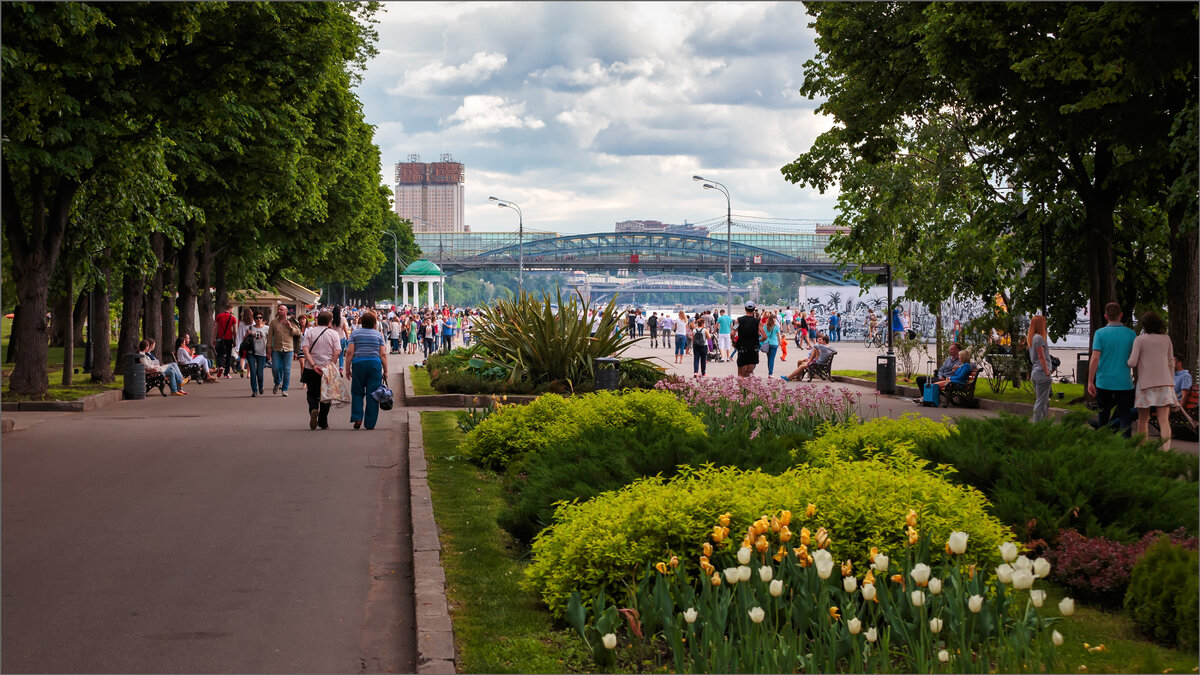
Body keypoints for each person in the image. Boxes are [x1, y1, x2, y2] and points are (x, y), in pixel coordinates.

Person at [1127, 311, 1176, 449]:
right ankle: (1166, 450)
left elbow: (1132, 362)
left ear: (1144, 325)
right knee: (1164, 420)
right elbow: (1171, 362)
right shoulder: (1166, 339)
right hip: (1165, 384)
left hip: (1145, 385)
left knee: (1143, 420)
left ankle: (1142, 448)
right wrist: (1171, 382)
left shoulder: (1140, 340)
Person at [1087, 302, 1137, 433]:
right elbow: (1136, 358)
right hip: (1124, 382)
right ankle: (1125, 447)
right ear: (1121, 315)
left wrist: (1090, 381)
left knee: (1103, 415)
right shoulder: (1131, 334)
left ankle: (1103, 444)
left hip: (1104, 381)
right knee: (1125, 416)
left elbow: (1095, 357)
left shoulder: (1100, 333)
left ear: (1105, 316)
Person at [345, 312, 388, 430]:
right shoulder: (378, 335)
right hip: (374, 365)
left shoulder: (355, 333)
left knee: (357, 392)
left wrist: (347, 369)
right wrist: (386, 371)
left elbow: (349, 352)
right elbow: (383, 354)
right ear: (374, 323)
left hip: (358, 364)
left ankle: (358, 417)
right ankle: (370, 423)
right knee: (373, 394)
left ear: (362, 322)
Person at [301, 310, 342, 430]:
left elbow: (305, 350)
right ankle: (323, 421)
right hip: (326, 368)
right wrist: (331, 365)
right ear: (330, 321)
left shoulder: (310, 332)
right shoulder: (333, 334)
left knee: (312, 393)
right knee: (326, 395)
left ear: (317, 320)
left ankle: (314, 408)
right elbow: (337, 351)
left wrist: (313, 365)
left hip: (311, 368)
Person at [266, 304, 300, 396]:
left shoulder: (292, 321)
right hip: (276, 349)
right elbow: (269, 336)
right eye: (278, 309)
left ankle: (285, 389)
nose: (279, 311)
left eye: (281, 309)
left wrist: (290, 327)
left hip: (288, 349)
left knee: (287, 370)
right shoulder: (273, 322)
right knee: (275, 368)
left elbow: (298, 332)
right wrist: (268, 348)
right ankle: (277, 382)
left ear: (286, 311)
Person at [1027, 315, 1053, 422]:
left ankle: (1043, 423)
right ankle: (1037, 424)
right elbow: (1041, 357)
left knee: (1043, 401)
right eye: (1044, 323)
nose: (1045, 326)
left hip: (1036, 372)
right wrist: (1047, 372)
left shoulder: (1032, 338)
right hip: (1041, 372)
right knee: (1041, 402)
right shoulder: (1038, 338)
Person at [732, 302, 764, 378]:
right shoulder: (757, 322)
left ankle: (742, 389)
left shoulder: (738, 321)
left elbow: (732, 333)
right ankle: (749, 389)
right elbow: (765, 336)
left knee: (741, 374)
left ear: (745, 309)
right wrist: (758, 340)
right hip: (753, 349)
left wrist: (733, 342)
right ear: (754, 310)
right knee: (749, 372)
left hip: (742, 349)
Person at [247, 311, 269, 396]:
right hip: (251, 352)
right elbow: (245, 339)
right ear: (254, 319)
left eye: (260, 318)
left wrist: (269, 350)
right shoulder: (251, 327)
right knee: (252, 372)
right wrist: (247, 334)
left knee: (259, 373)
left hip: (262, 352)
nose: (259, 319)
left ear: (262, 319)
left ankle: (260, 386)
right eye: (257, 318)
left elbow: (270, 339)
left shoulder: (266, 328)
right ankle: (254, 390)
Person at [214, 302, 238, 378]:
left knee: (219, 354)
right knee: (228, 355)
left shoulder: (219, 316)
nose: (233, 311)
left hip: (220, 338)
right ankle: (226, 373)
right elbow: (234, 331)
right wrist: (235, 341)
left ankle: (220, 366)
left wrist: (213, 338)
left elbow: (215, 328)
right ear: (230, 309)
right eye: (233, 309)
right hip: (229, 338)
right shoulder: (233, 318)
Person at [235, 307, 254, 377]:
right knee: (250, 358)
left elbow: (239, 334)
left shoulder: (241, 323)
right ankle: (248, 374)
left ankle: (242, 368)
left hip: (242, 343)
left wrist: (237, 345)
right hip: (251, 343)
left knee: (243, 357)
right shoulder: (253, 323)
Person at [763, 312, 781, 377]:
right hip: (774, 344)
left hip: (767, 343)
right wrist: (780, 342)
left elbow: (763, 334)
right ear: (774, 319)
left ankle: (769, 372)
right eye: (775, 318)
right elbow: (779, 336)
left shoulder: (765, 326)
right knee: (772, 358)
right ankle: (770, 373)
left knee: (769, 358)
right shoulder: (776, 327)